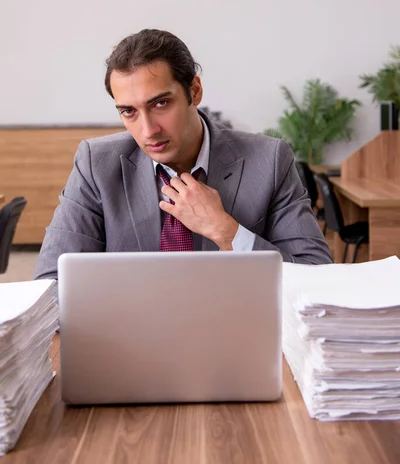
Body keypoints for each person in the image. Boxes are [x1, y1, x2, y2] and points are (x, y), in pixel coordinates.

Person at [34, 29, 332, 280]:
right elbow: (50, 282)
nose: (148, 130)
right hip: (129, 340)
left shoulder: (269, 160)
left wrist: (227, 231)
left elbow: (315, 277)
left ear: (195, 91)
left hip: (233, 336)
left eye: (161, 104)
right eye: (129, 112)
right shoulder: (96, 164)